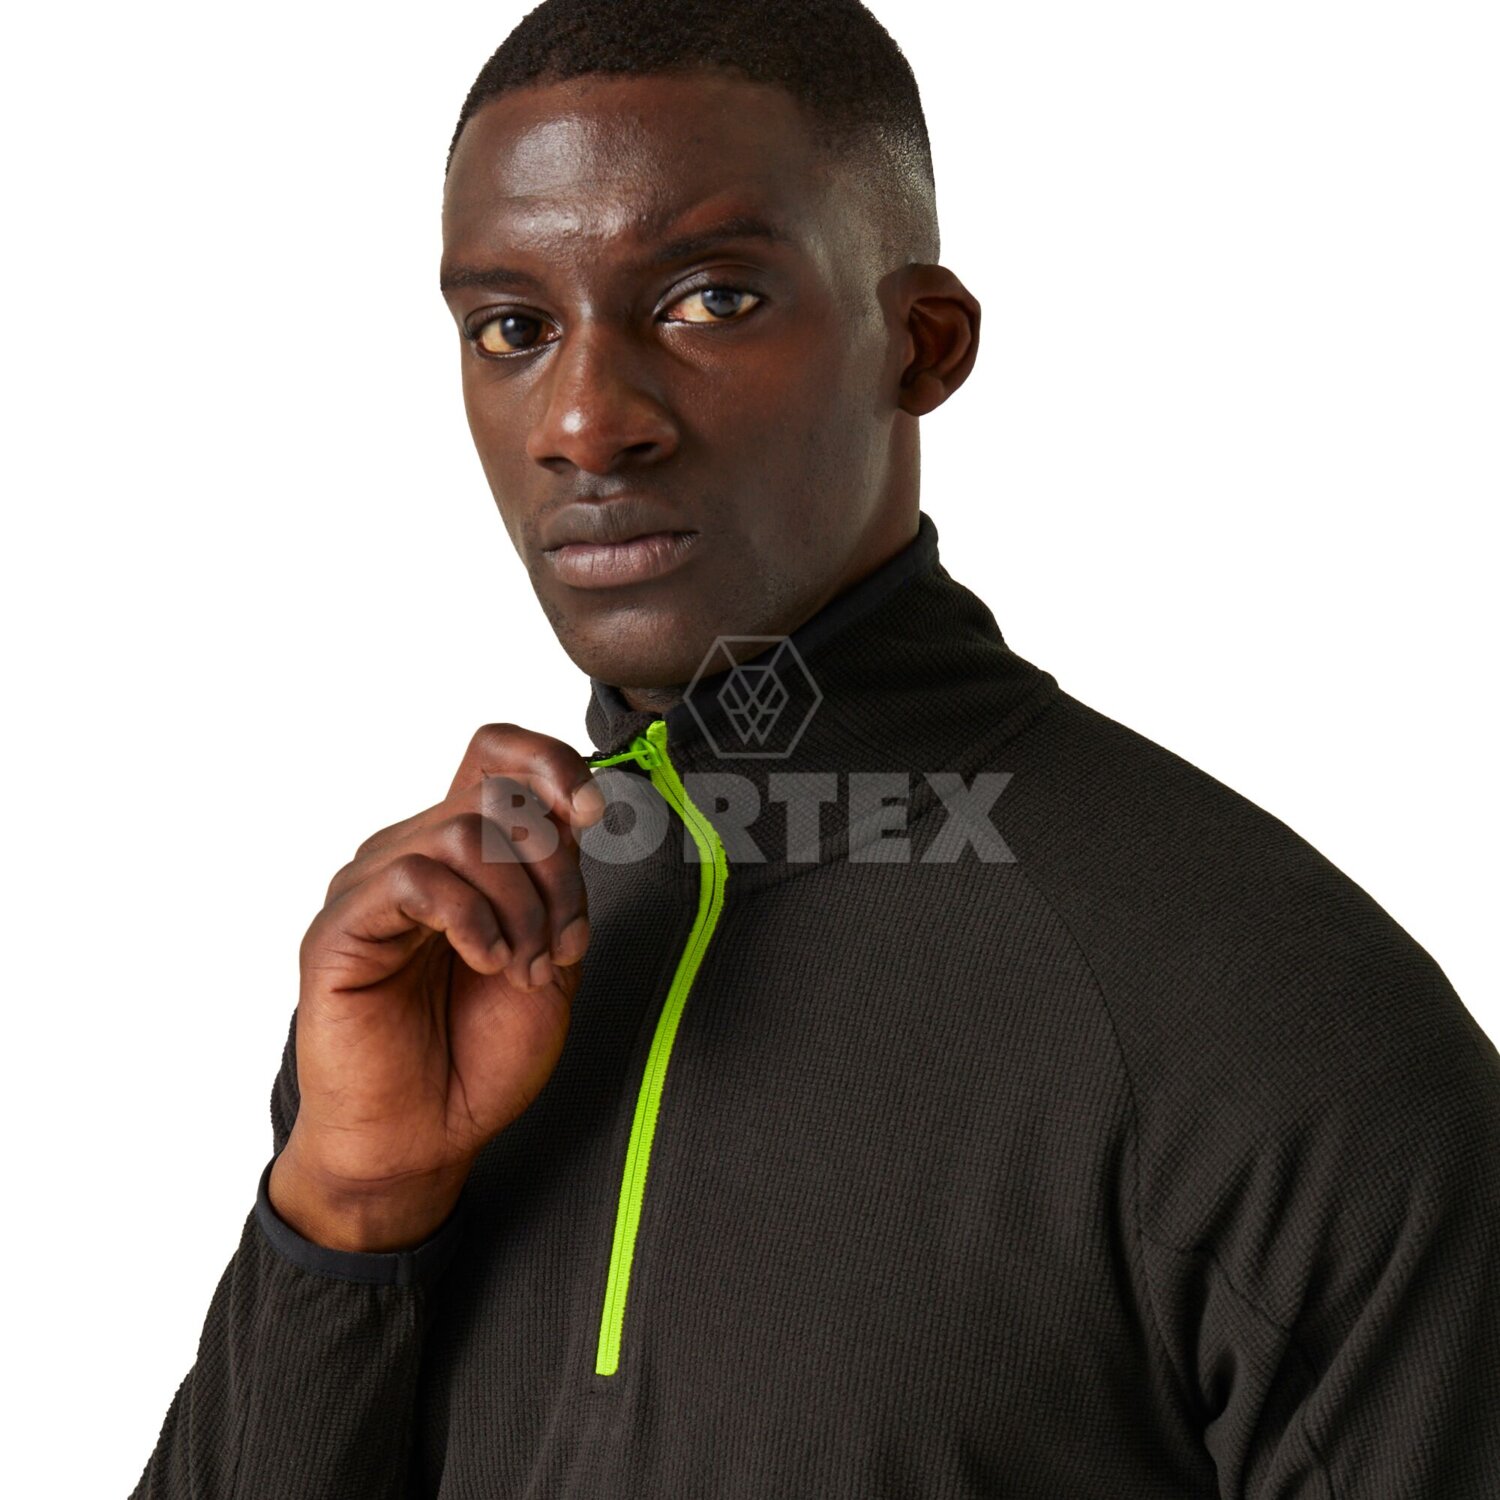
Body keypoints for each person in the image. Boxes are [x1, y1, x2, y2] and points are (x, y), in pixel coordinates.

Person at [130, 1, 1500, 1496]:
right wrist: (349, 1209)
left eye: (711, 299)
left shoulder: (1275, 1022)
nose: (583, 420)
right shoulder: (445, 978)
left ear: (921, 343)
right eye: (513, 328)